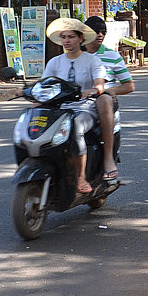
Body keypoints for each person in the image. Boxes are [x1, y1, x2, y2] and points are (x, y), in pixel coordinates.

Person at [43, 18, 106, 195]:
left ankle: (81, 177)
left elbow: (100, 84)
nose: (66, 41)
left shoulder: (92, 61)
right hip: (59, 108)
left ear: (81, 39)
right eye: (63, 37)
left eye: (71, 36)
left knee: (75, 127)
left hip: (85, 107)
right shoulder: (55, 62)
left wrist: (92, 90)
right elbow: (44, 85)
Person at [84, 16, 135, 182]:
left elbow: (129, 86)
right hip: (79, 104)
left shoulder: (112, 56)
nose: (100, 34)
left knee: (104, 101)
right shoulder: (75, 55)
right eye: (96, 31)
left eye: (103, 31)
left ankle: (108, 160)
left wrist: (109, 90)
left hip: (102, 106)